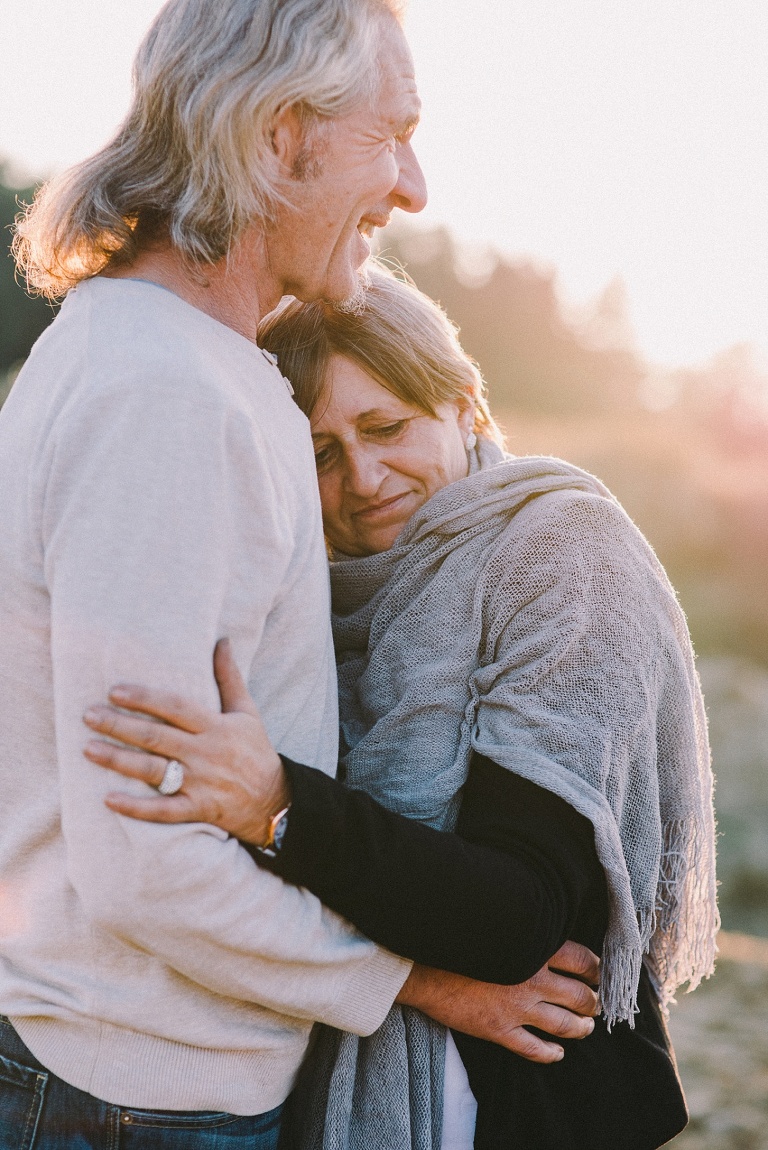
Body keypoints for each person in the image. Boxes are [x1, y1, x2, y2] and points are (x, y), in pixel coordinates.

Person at [0, 3, 598, 1146]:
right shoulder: (165, 397)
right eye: (394, 133)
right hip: (132, 1103)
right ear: (283, 138)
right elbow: (145, 864)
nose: (413, 186)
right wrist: (419, 983)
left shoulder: (173, 362)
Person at [84, 267, 719, 1149]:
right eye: (322, 453)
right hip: (317, 1072)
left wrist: (280, 802)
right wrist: (416, 978)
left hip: (532, 1102)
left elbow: (516, 917)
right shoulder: (299, 595)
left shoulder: (564, 558)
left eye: (386, 427)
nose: (365, 477)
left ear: (465, 404)